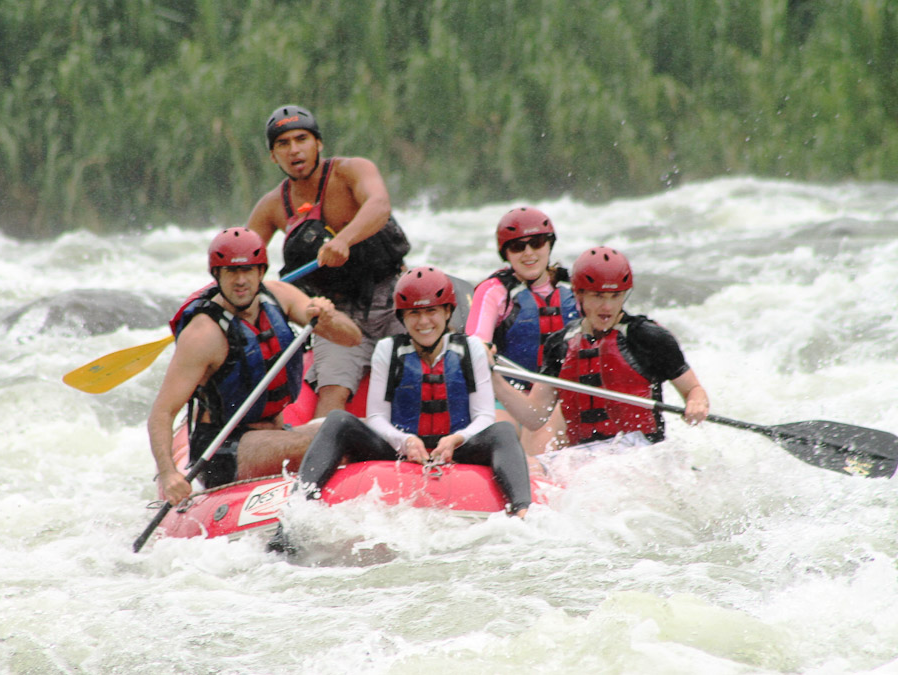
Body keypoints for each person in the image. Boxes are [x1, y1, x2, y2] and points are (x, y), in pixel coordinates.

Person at [267, 266, 532, 553]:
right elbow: (377, 417)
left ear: (447, 312)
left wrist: (457, 439)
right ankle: (292, 519)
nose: (424, 321)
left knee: (503, 430)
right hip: (402, 449)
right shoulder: (387, 350)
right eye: (414, 314)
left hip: (457, 447)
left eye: (432, 311)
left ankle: (522, 516)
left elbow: (484, 417)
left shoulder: (471, 349)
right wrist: (404, 441)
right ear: (402, 318)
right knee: (338, 421)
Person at [148, 227, 361, 506]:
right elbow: (162, 413)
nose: (240, 281)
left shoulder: (279, 295)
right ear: (217, 276)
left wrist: (329, 318)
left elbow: (352, 338)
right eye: (231, 272)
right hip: (224, 450)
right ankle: (299, 513)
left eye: (248, 271)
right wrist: (167, 474)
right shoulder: (203, 334)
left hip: (275, 433)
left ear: (261, 272)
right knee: (330, 443)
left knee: (357, 429)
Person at [246, 104, 411, 419]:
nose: (294, 150)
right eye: (283, 144)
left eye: (301, 139)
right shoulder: (271, 207)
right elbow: (240, 262)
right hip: (335, 315)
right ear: (272, 156)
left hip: (391, 297)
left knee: (416, 376)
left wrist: (343, 240)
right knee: (333, 392)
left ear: (318, 143)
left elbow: (379, 204)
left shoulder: (351, 171)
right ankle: (326, 454)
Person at [492, 246, 709, 473]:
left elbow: (693, 389)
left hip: (641, 451)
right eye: (597, 296)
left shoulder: (648, 337)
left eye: (615, 296)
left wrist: (696, 404)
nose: (607, 307)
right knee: (525, 468)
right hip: (584, 456)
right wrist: (495, 379)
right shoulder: (560, 344)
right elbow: (534, 416)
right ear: (579, 294)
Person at [465, 207, 579, 454]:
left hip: (560, 398)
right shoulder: (494, 290)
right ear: (506, 253)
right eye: (517, 247)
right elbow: (476, 341)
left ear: (549, 245)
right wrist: (481, 349)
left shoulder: (576, 287)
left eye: (536, 243)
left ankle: (539, 471)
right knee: (501, 432)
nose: (528, 253)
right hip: (507, 396)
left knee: (545, 431)